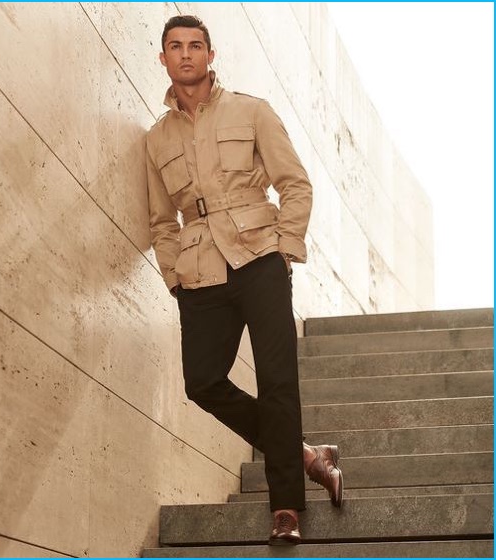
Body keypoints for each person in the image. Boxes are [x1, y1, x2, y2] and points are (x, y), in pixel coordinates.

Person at [145, 15, 343, 545]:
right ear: (162, 58)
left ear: (210, 55)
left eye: (195, 45)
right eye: (175, 47)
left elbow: (294, 183)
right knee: (202, 382)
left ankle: (286, 510)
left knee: (277, 381)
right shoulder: (156, 138)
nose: (186, 54)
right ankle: (305, 455)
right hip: (201, 273)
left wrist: (285, 249)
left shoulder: (252, 111)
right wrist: (174, 276)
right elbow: (162, 220)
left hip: (259, 257)